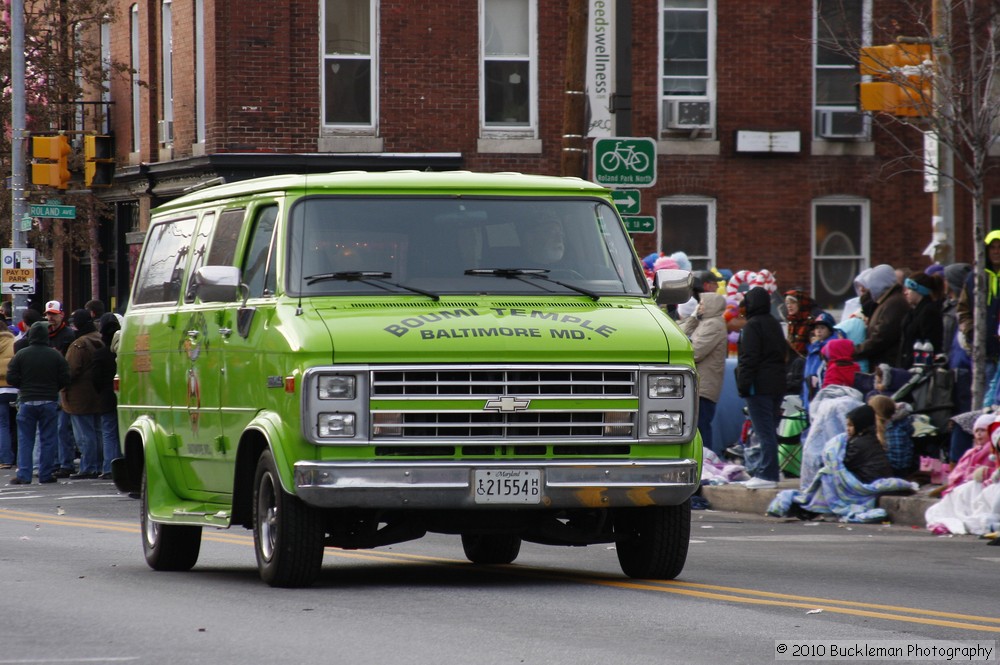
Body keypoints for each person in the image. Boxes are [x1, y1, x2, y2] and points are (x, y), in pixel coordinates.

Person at [6, 321, 70, 485]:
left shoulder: (22, 354)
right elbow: (65, 377)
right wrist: (54, 387)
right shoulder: (55, 355)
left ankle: (24, 474)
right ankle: (46, 473)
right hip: (49, 399)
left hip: (27, 400)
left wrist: (23, 385)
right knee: (48, 438)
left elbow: (11, 378)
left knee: (25, 439)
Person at [735, 286, 787, 489]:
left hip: (759, 385)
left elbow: (749, 359)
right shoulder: (774, 324)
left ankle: (767, 474)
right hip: (777, 384)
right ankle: (770, 470)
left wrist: (743, 385)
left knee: (763, 431)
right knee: (770, 430)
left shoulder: (752, 326)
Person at [62, 309, 105, 479]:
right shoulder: (100, 339)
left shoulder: (78, 344)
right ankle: (100, 465)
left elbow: (71, 370)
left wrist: (61, 382)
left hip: (79, 395)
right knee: (98, 432)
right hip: (97, 393)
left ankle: (88, 467)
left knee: (84, 435)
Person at [685, 292, 727, 455]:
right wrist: (694, 318)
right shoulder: (704, 322)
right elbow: (681, 333)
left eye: (702, 303)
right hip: (699, 385)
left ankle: (706, 460)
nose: (699, 306)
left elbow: (695, 352)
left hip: (705, 385)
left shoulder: (714, 324)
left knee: (701, 427)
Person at [44, 300, 77, 478]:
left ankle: (66, 463)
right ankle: (54, 462)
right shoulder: (43, 333)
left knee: (62, 427)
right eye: (49, 314)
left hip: (61, 386)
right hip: (47, 385)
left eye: (54, 314)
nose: (51, 318)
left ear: (62, 315)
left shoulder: (68, 335)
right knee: (50, 427)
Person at [853, 264, 908, 368]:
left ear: (880, 283)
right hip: (883, 364)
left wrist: (855, 351)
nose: (869, 289)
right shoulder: (887, 302)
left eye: (872, 284)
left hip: (887, 365)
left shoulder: (894, 303)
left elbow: (881, 337)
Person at [93, 312, 121, 479]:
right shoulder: (125, 352)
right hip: (126, 397)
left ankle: (110, 467)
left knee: (109, 433)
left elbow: (95, 379)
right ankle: (124, 465)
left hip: (106, 398)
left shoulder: (100, 354)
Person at [897, 271, 944, 369]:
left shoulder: (929, 312)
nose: (905, 292)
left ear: (919, 290)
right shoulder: (913, 311)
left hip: (918, 368)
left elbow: (931, 342)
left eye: (909, 289)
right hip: (908, 366)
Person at [843, 404, 894, 484]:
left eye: (851, 425)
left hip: (870, 482)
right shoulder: (870, 437)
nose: (847, 429)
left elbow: (846, 464)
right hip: (879, 479)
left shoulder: (858, 443)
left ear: (859, 424)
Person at [0, 316, 15, 470]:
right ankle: (21, 458)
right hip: (15, 388)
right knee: (19, 425)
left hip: (0, 390)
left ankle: (5, 459)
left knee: (2, 425)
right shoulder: (14, 342)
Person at [782, 290, 816, 358]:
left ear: (800, 304)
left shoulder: (810, 322)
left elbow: (814, 346)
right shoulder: (791, 321)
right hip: (793, 362)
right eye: (787, 303)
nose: (789, 306)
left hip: (805, 361)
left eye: (793, 303)